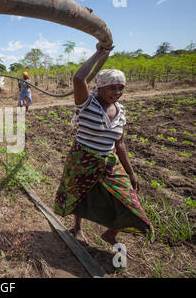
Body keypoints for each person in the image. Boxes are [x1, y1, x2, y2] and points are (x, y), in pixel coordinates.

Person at [53, 42, 153, 246]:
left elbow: (121, 144)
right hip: (83, 158)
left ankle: (110, 233)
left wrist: (131, 173)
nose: (117, 92)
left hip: (108, 161)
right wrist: (99, 53)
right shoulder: (87, 103)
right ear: (99, 87)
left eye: (120, 88)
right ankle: (77, 228)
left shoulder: (121, 111)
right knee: (78, 193)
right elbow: (78, 78)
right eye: (112, 87)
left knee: (130, 201)